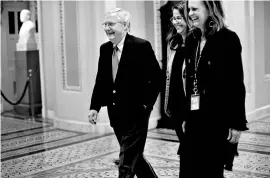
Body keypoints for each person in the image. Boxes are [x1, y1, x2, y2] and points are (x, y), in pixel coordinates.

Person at [88, 8, 162, 178]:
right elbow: (101, 80)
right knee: (135, 156)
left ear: (126, 26)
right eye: (105, 24)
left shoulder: (141, 46)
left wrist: (146, 105)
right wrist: (94, 107)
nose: (107, 28)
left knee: (126, 163)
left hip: (136, 115)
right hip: (116, 114)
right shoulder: (105, 49)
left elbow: (157, 79)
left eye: (111, 24)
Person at [179, 1, 249, 177]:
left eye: (195, 9)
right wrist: (186, 115)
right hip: (194, 117)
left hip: (217, 119)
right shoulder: (191, 38)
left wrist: (237, 123)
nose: (190, 13)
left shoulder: (227, 39)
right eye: (189, 9)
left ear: (210, 9)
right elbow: (189, 82)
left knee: (210, 171)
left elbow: (236, 83)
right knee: (188, 169)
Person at [163, 2, 190, 155]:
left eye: (179, 18)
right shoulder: (173, 42)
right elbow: (170, 76)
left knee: (190, 151)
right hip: (175, 105)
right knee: (186, 147)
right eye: (173, 19)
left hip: (189, 107)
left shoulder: (196, 44)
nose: (175, 22)